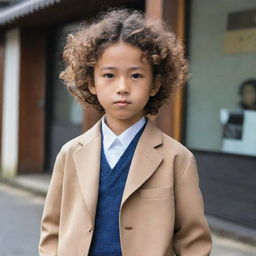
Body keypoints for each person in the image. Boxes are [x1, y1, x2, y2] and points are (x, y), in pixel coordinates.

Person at [39, 8, 212, 256]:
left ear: (155, 84)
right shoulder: (70, 154)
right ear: (91, 83)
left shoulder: (177, 158)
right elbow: (52, 228)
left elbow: (193, 240)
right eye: (109, 75)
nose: (122, 87)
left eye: (136, 75)